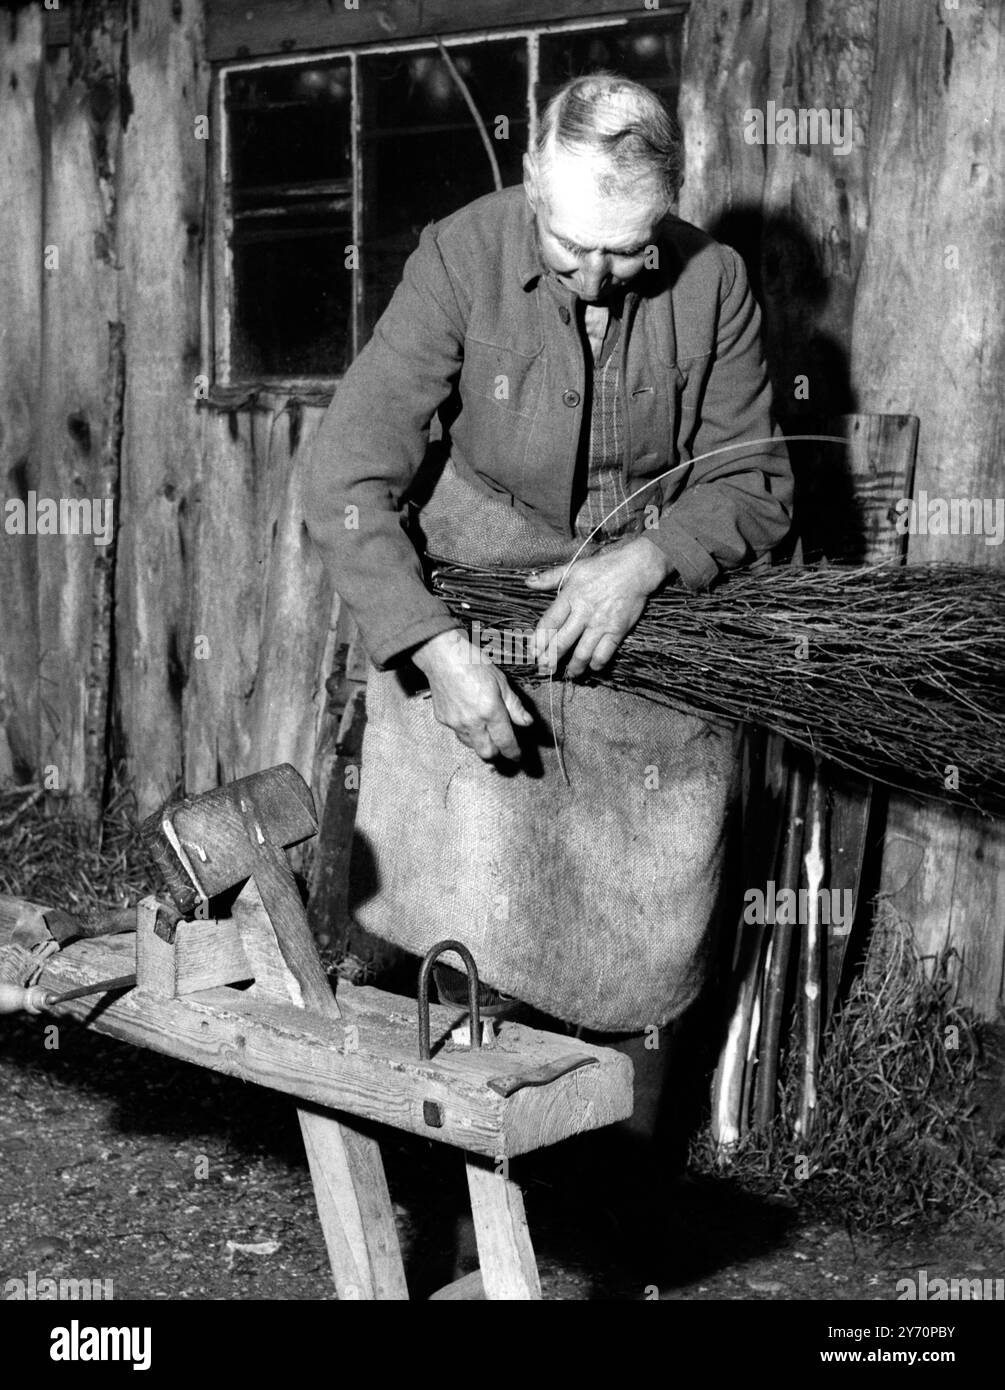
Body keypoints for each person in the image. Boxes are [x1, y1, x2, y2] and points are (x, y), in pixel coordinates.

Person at [305, 72, 792, 1141]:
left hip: (652, 651)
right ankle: (446, 1177)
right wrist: (432, 647)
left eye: (631, 249)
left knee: (640, 940)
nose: (602, 278)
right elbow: (344, 476)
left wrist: (650, 559)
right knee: (464, 915)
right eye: (575, 249)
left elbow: (755, 485)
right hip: (474, 613)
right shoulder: (458, 255)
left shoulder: (716, 283)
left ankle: (607, 1196)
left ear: (667, 207)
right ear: (531, 180)